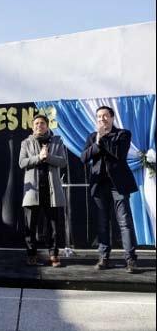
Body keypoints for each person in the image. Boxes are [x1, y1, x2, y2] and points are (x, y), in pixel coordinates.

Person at [80, 105, 138, 273]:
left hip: (118, 185)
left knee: (124, 222)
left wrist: (103, 138)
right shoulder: (92, 137)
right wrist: (97, 141)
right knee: (102, 223)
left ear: (112, 118)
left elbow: (119, 155)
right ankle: (104, 257)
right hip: (99, 185)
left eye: (105, 116)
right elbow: (84, 157)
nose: (102, 119)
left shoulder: (123, 134)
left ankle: (130, 259)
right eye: (99, 116)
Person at [19, 114, 67, 267]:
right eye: (36, 123)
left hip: (52, 191)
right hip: (33, 192)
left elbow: (63, 162)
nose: (39, 126)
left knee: (53, 227)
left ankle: (54, 255)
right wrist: (39, 157)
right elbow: (22, 163)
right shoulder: (26, 142)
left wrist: (48, 157)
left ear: (47, 125)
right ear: (33, 126)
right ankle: (31, 255)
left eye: (42, 123)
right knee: (30, 226)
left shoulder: (57, 141)